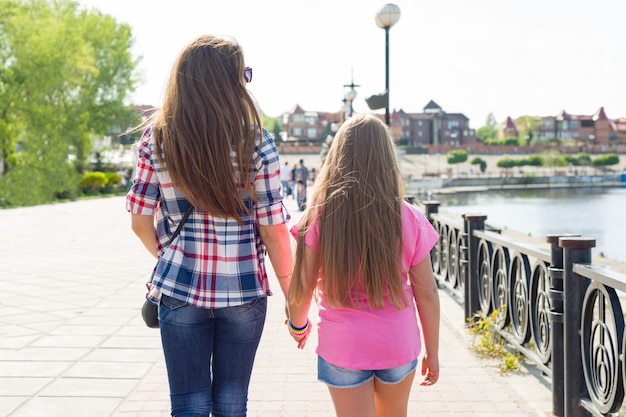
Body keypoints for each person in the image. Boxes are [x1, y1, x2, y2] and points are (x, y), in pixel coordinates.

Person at [125, 34, 293, 417]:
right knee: (232, 404)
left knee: (188, 404)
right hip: (244, 288)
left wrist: (174, 258)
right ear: (231, 81)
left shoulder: (158, 137)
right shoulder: (258, 143)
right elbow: (274, 231)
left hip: (179, 288)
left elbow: (139, 222)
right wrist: (295, 302)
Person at [287, 114, 440, 417]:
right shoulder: (409, 219)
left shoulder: (318, 217)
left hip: (343, 345)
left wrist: (298, 324)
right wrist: (432, 353)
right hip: (397, 343)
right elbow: (428, 294)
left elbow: (301, 288)